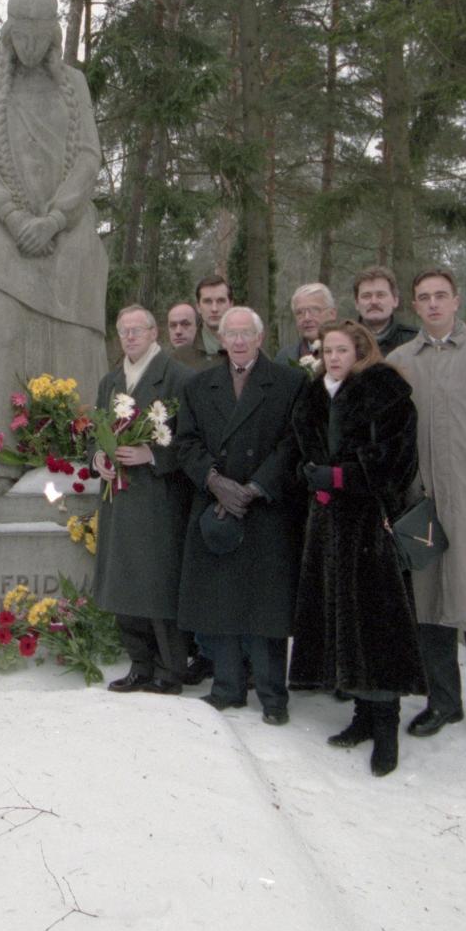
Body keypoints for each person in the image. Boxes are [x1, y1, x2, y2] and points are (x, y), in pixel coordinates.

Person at [0, 0, 108, 448]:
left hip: (65, 233)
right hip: (0, 232)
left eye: (39, 37)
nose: (31, 47)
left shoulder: (74, 84)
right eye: (22, 36)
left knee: (73, 347)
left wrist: (55, 219)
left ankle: (73, 457)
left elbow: (88, 155)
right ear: (8, 32)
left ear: (54, 34)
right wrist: (14, 218)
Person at [289, 321, 426, 776]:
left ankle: (386, 725)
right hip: (327, 524)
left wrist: (342, 477)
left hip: (369, 524)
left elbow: (399, 461)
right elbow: (302, 451)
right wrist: (311, 477)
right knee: (341, 620)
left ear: (361, 351)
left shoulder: (385, 393)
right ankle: (362, 714)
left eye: (342, 350)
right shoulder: (313, 395)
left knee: (376, 622)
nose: (333, 357)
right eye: (327, 350)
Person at [387, 268, 466, 756]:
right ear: (414, 306)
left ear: (456, 301)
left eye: (442, 295)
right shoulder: (401, 362)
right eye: (424, 297)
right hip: (422, 502)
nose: (434, 304)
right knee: (430, 603)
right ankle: (442, 702)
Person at [177, 307, 305, 723]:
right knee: (221, 602)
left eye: (245, 333)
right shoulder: (199, 385)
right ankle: (227, 688)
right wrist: (215, 482)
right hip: (217, 507)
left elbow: (293, 443)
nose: (237, 340)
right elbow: (186, 443)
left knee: (266, 609)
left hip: (265, 508)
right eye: (230, 334)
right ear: (221, 340)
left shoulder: (289, 383)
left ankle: (272, 697)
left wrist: (254, 488)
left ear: (259, 337)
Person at [91, 307, 191, 694]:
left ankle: (170, 669)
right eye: (123, 331)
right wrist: (99, 458)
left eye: (137, 330)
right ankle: (140, 664)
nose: (130, 337)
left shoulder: (178, 377)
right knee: (123, 585)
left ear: (153, 333)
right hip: (118, 498)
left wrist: (153, 455)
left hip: (158, 499)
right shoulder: (111, 381)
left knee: (156, 586)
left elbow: (192, 439)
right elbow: (98, 433)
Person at [352, 266, 416, 356]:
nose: (374, 302)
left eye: (380, 295)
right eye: (366, 296)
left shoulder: (414, 340)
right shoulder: (344, 340)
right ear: (356, 303)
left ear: (395, 301)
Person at [274, 282, 337, 365]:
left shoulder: (351, 354)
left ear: (332, 314)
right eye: (300, 312)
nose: (307, 318)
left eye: (315, 310)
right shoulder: (284, 358)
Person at [191, 275, 234, 368]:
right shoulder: (182, 356)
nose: (214, 309)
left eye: (221, 301)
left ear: (231, 305)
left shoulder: (250, 351)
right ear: (198, 307)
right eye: (208, 301)